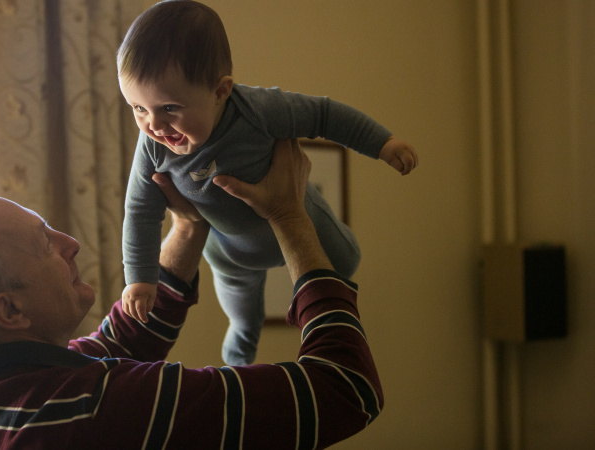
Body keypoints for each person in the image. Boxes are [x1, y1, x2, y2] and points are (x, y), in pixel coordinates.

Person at [0, 139, 383, 449]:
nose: (69, 243)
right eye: (44, 243)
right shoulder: (100, 409)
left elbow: (119, 342)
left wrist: (188, 226)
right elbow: (345, 389)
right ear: (10, 310)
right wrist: (289, 216)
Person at [118, 0, 418, 365]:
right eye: (138, 108)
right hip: (230, 252)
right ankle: (239, 358)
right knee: (243, 317)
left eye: (169, 108)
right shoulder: (152, 147)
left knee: (346, 261)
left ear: (220, 92)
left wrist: (383, 144)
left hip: (302, 217)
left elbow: (324, 115)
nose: (153, 125)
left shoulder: (258, 110)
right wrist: (140, 278)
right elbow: (140, 210)